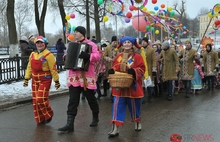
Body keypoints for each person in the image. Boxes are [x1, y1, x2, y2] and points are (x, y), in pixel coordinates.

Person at [58, 26, 101, 132]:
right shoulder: (72, 44)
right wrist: (65, 57)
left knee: (91, 99)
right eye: (75, 32)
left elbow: (98, 56)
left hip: (86, 76)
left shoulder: (91, 44)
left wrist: (88, 56)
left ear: (82, 33)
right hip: (74, 76)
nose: (75, 34)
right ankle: (70, 124)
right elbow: (67, 55)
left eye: (77, 32)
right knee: (73, 100)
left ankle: (95, 117)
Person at [107, 36, 146, 137]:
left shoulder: (137, 57)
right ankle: (115, 128)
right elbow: (114, 67)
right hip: (119, 86)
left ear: (132, 44)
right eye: (125, 42)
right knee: (117, 106)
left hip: (132, 86)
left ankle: (137, 121)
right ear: (122, 44)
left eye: (129, 42)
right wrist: (112, 71)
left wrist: (134, 71)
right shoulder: (118, 56)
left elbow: (142, 69)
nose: (127, 44)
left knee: (134, 107)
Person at [23, 35, 60, 125]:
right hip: (35, 79)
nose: (39, 44)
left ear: (45, 44)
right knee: (35, 101)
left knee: (40, 99)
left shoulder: (49, 55)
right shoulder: (32, 54)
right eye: (37, 43)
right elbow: (29, 67)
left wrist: (56, 81)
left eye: (41, 43)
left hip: (45, 79)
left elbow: (53, 69)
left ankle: (49, 114)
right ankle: (40, 119)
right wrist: (27, 78)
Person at [141, 37, 157, 103]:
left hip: (149, 68)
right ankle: (142, 98)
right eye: (142, 41)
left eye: (144, 41)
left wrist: (154, 69)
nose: (143, 43)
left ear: (147, 42)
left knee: (149, 83)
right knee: (142, 84)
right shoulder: (140, 50)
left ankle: (150, 95)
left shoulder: (151, 50)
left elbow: (154, 60)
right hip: (141, 69)